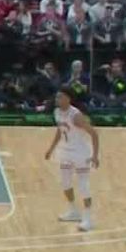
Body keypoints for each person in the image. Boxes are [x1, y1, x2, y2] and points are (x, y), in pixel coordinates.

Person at [45, 89, 100, 231]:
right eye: (56, 96)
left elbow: (94, 134)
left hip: (81, 153)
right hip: (65, 153)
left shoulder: (76, 115)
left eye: (60, 96)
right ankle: (73, 211)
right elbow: (60, 130)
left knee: (83, 185)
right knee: (65, 182)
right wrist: (51, 149)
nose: (57, 99)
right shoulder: (57, 112)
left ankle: (88, 219)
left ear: (68, 98)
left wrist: (95, 155)